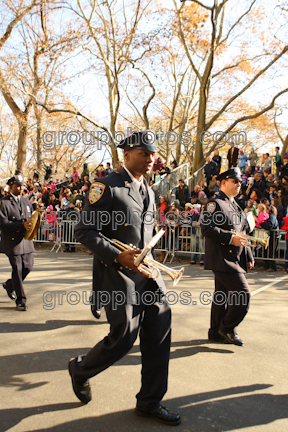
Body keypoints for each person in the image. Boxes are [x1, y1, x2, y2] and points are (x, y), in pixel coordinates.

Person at [68, 130, 181, 426]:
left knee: (160, 337)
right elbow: (84, 231)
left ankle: (150, 401)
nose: (151, 159)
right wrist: (118, 256)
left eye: (153, 154)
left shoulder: (150, 191)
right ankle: (80, 370)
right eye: (144, 153)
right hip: (119, 277)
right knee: (122, 340)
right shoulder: (106, 187)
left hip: (149, 276)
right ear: (126, 154)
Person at [201, 167, 254, 346]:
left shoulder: (235, 204)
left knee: (221, 296)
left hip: (233, 258)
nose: (239, 185)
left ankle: (216, 331)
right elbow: (207, 229)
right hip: (222, 258)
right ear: (223, 183)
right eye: (235, 182)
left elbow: (243, 233)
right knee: (242, 294)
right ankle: (227, 328)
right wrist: (231, 239)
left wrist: (248, 254)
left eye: (240, 182)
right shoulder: (214, 204)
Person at [0, 175, 35, 311]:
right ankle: (21, 300)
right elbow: (3, 224)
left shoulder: (26, 202)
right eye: (17, 186)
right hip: (12, 242)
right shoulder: (3, 203)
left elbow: (31, 219)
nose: (20, 188)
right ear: (10, 187)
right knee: (18, 269)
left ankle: (9, 286)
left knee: (28, 267)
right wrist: (21, 225)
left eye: (21, 186)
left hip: (25, 241)